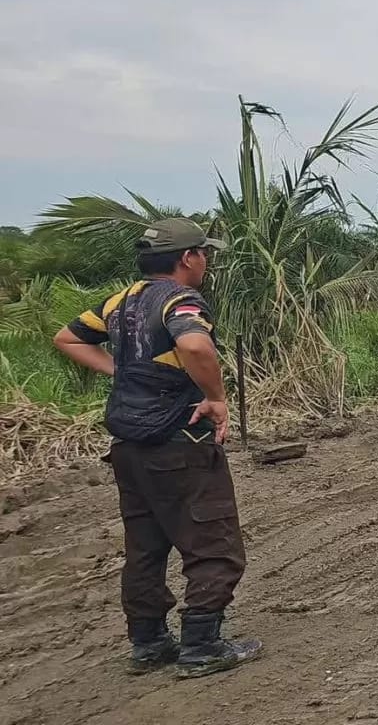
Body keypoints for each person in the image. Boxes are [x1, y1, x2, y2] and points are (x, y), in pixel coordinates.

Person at [51, 218, 262, 679]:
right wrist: (217, 400)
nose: (207, 260)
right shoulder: (182, 300)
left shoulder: (120, 300)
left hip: (129, 445)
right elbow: (196, 347)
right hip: (178, 440)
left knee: (145, 547)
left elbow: (67, 338)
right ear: (187, 258)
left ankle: (147, 643)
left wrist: (125, 373)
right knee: (213, 543)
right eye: (204, 253)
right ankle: (203, 645)